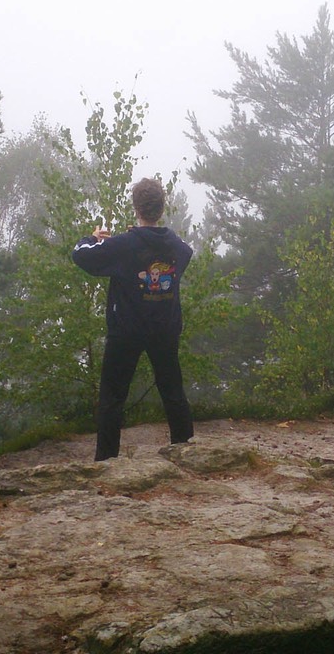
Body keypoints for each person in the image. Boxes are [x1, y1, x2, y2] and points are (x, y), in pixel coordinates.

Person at [72, 178, 194, 461]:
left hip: (126, 330)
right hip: (165, 327)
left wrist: (92, 238)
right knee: (172, 389)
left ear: (136, 208)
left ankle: (106, 461)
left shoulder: (123, 244)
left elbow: (81, 256)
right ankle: (185, 449)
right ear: (161, 209)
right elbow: (185, 256)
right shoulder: (175, 245)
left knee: (113, 397)